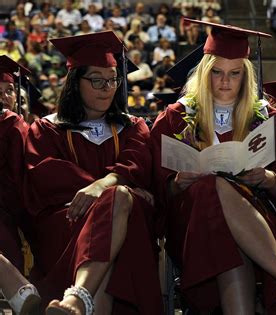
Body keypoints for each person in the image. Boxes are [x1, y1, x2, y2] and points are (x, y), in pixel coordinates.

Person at [150, 18, 276, 315]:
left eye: (235, 74)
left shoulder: (267, 118)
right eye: (216, 72)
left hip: (260, 220)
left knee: (229, 234)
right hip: (193, 224)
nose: (225, 81)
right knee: (213, 186)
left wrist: (269, 179)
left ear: (245, 76)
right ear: (204, 73)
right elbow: (155, 186)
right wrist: (176, 183)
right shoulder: (176, 117)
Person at [24, 31, 163, 315]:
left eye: (113, 79)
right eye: (97, 80)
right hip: (68, 221)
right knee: (118, 203)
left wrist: (105, 190)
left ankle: (77, 300)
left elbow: (137, 163)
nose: (107, 88)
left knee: (118, 207)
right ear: (75, 82)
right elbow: (47, 175)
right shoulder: (47, 128)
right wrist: (111, 190)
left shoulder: (133, 126)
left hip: (128, 222)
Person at [0, 55, 41, 315]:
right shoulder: (13, 123)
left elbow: (20, 176)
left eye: (8, 90)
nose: (4, 96)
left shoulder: (14, 123)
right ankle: (19, 291)